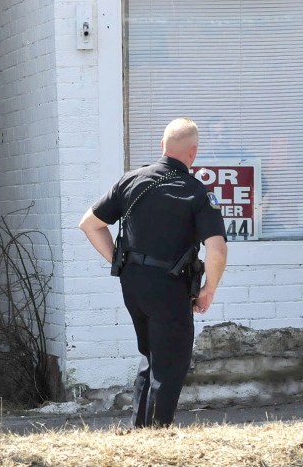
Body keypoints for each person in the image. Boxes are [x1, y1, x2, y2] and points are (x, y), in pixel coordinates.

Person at [78, 118, 228, 428]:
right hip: (170, 286)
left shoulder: (130, 180)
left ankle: (141, 429)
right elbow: (217, 249)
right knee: (170, 362)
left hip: (132, 284)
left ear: (163, 146)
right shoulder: (197, 192)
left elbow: (90, 224)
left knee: (150, 356)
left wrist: (118, 261)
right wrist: (209, 289)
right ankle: (158, 434)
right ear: (193, 152)